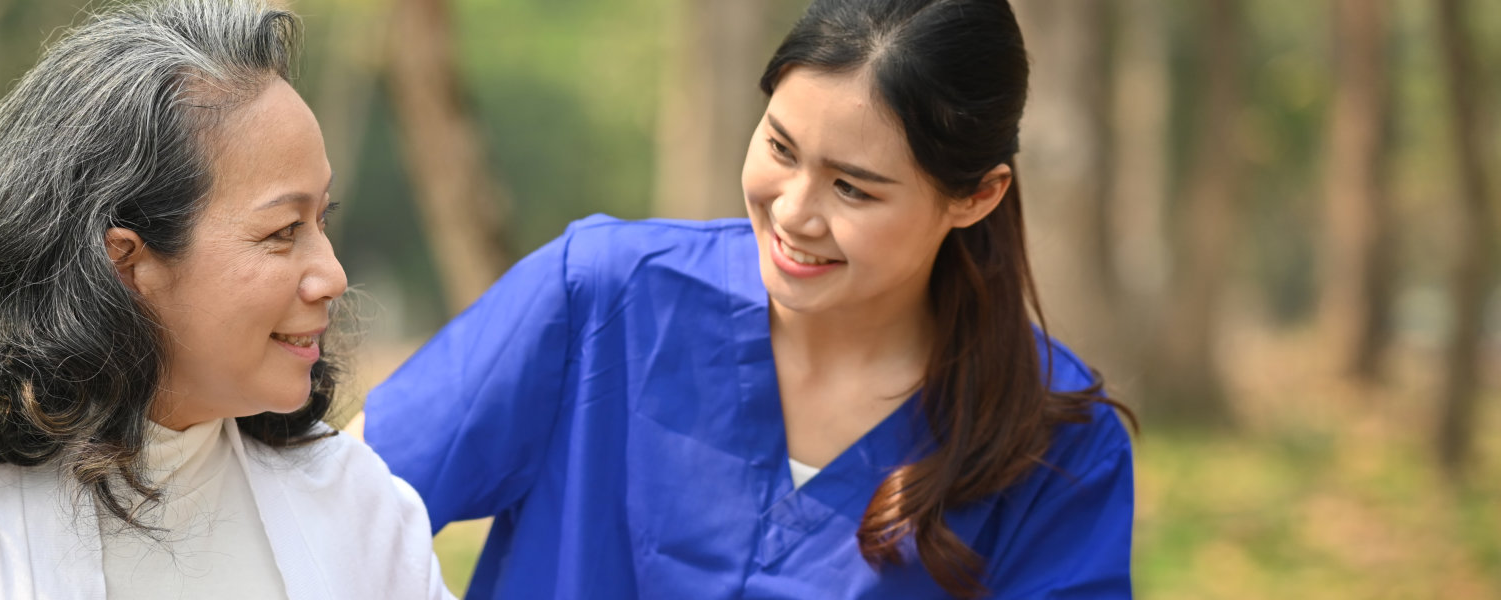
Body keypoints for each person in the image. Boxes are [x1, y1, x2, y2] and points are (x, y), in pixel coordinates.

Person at [361, 0, 1137, 597]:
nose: (794, 211)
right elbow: (329, 511)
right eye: (779, 147)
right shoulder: (599, 297)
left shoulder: (1059, 443)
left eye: (853, 188)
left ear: (976, 196)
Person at [0, 1, 449, 598]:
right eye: (282, 232)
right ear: (125, 260)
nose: (330, 275)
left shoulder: (359, 508)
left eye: (322, 220)